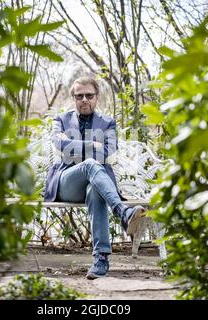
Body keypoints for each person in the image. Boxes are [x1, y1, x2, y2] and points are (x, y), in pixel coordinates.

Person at [44, 76, 146, 280]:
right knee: (91, 164)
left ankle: (101, 259)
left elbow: (108, 151)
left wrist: (73, 143)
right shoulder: (61, 120)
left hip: (96, 182)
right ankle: (122, 212)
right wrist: (92, 145)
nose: (84, 99)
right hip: (67, 181)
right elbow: (59, 144)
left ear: (96, 97)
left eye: (89, 95)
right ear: (73, 98)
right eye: (79, 96)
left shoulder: (107, 122)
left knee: (95, 190)